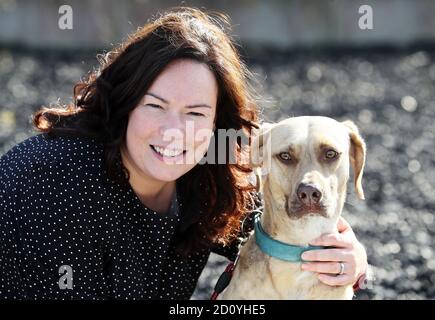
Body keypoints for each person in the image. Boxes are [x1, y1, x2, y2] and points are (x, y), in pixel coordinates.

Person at [0, 7, 367, 300]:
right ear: (126, 101)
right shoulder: (52, 182)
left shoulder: (208, 171)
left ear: (216, 124)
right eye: (155, 106)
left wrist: (350, 259)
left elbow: (279, 227)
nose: (174, 132)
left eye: (195, 113)